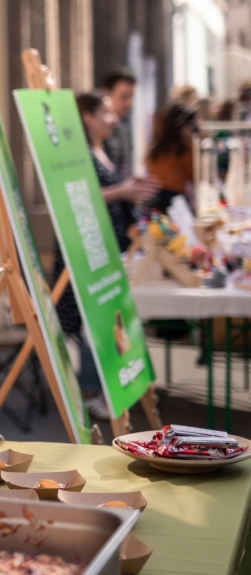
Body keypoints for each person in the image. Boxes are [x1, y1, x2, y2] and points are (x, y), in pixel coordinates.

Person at [53, 93, 158, 420]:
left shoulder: (105, 149)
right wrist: (123, 191)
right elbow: (75, 196)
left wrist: (129, 187)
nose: (113, 119)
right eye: (106, 113)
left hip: (103, 249)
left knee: (100, 318)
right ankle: (89, 392)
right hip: (84, 249)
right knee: (88, 319)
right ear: (86, 116)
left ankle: (98, 388)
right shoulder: (78, 153)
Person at [145, 100, 199, 213]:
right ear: (180, 127)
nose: (192, 131)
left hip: (152, 200)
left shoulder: (156, 147)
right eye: (191, 126)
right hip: (174, 201)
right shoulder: (183, 148)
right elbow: (195, 176)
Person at [100, 69, 137, 180]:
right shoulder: (97, 130)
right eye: (123, 97)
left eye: (131, 97)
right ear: (106, 94)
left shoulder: (124, 124)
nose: (129, 103)